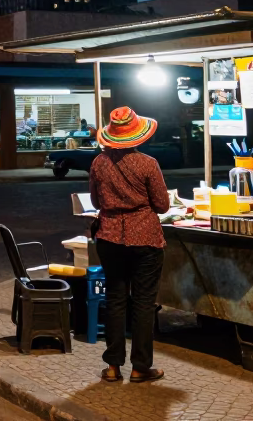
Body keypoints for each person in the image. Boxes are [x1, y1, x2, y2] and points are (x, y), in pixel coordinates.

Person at [90, 107, 171, 383]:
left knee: (115, 299)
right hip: (146, 239)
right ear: (137, 135)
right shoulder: (148, 164)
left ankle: (113, 367)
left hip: (110, 238)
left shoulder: (99, 163)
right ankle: (140, 367)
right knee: (144, 303)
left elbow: (96, 203)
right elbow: (162, 205)